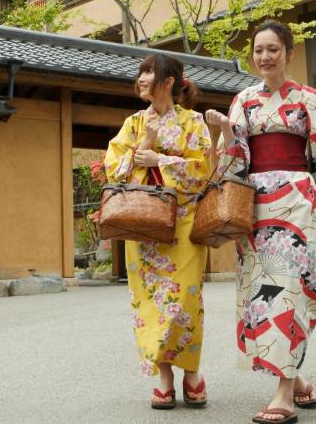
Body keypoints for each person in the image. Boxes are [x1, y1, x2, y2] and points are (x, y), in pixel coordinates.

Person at [206, 20, 316, 424]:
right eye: (258, 50)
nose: (264, 57)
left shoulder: (311, 99)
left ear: (289, 52)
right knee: (260, 291)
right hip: (253, 203)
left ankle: (284, 393)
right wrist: (220, 131)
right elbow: (235, 158)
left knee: (289, 287)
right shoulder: (243, 100)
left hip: (296, 201)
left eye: (273, 49)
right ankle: (298, 380)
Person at [105, 53, 212, 410]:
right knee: (150, 305)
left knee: (184, 301)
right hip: (144, 226)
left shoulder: (193, 121)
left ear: (169, 81)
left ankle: (191, 372)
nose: (142, 78)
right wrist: (146, 145)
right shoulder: (133, 123)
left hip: (183, 224)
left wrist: (161, 160)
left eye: (149, 72)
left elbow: (203, 170)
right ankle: (165, 378)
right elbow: (113, 171)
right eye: (141, 72)